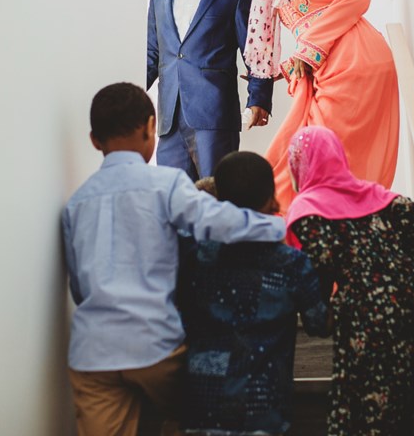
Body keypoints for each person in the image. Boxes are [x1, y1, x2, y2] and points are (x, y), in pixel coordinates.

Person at [61, 83, 286, 436]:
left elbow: (79, 287)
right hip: (157, 350)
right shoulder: (165, 186)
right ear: (151, 127)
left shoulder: (76, 205)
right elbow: (219, 223)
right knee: (205, 411)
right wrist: (275, 227)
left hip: (93, 356)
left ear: (94, 140)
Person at [244, 0, 400, 212]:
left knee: (316, 153)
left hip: (353, 58)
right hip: (321, 66)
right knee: (297, 150)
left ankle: (314, 226)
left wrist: (310, 47)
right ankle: (298, 229)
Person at [285, 126, 414, 436]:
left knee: (362, 409)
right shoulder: (389, 202)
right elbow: (403, 252)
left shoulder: (307, 210)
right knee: (412, 380)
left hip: (364, 309)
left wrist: (318, 321)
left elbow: (317, 279)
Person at [177, 151, 330, 435]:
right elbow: (319, 322)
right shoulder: (291, 264)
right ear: (270, 196)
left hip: (201, 402)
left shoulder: (196, 257)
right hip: (263, 407)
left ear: (218, 197)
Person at [148, 0, 274, 180]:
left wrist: (259, 98)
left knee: (217, 196)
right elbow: (152, 55)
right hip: (169, 120)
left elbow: (254, 50)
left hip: (214, 117)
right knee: (173, 200)